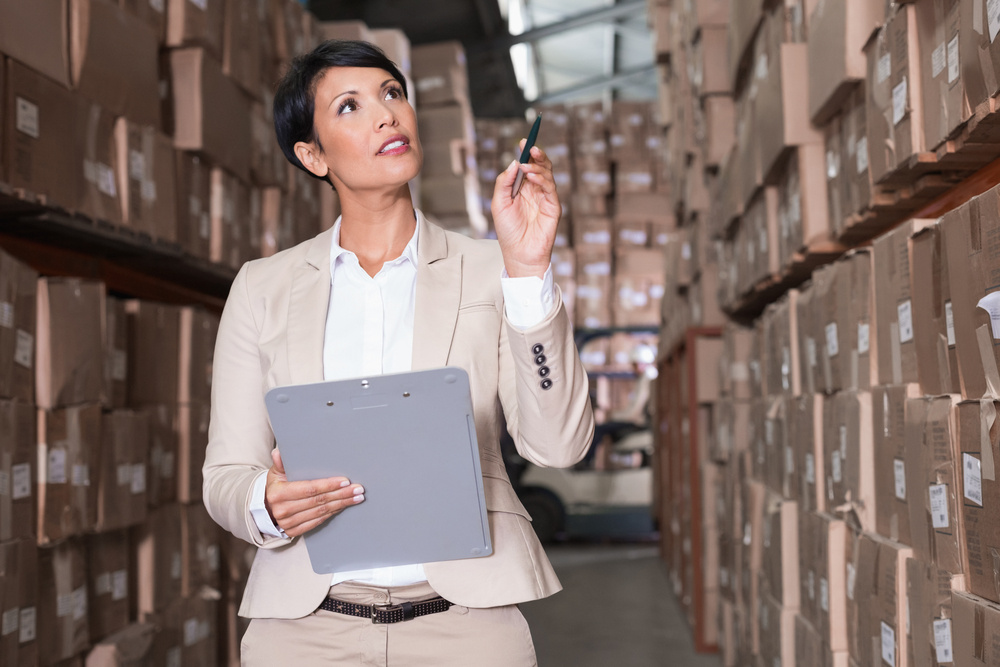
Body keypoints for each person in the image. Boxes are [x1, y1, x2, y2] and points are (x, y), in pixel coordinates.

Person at [202, 39, 595, 666]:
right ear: (311, 154)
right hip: (305, 631)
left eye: (393, 94)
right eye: (351, 106)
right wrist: (265, 504)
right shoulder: (263, 287)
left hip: (467, 627)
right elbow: (225, 476)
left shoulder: (492, 270)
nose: (387, 114)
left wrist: (528, 272)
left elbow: (559, 446)